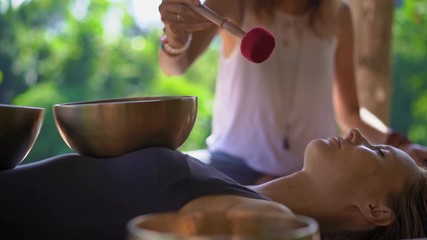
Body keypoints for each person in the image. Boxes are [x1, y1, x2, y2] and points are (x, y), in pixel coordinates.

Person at [157, 0, 427, 184]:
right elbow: (175, 66)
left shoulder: (338, 14)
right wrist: (175, 37)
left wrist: (400, 144)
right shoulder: (235, 3)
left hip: (309, 176)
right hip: (232, 170)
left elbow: (350, 113)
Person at [0, 128, 426, 240]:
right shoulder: (237, 190)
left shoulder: (265, 219)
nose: (356, 134)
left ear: (377, 210)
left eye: (379, 152)